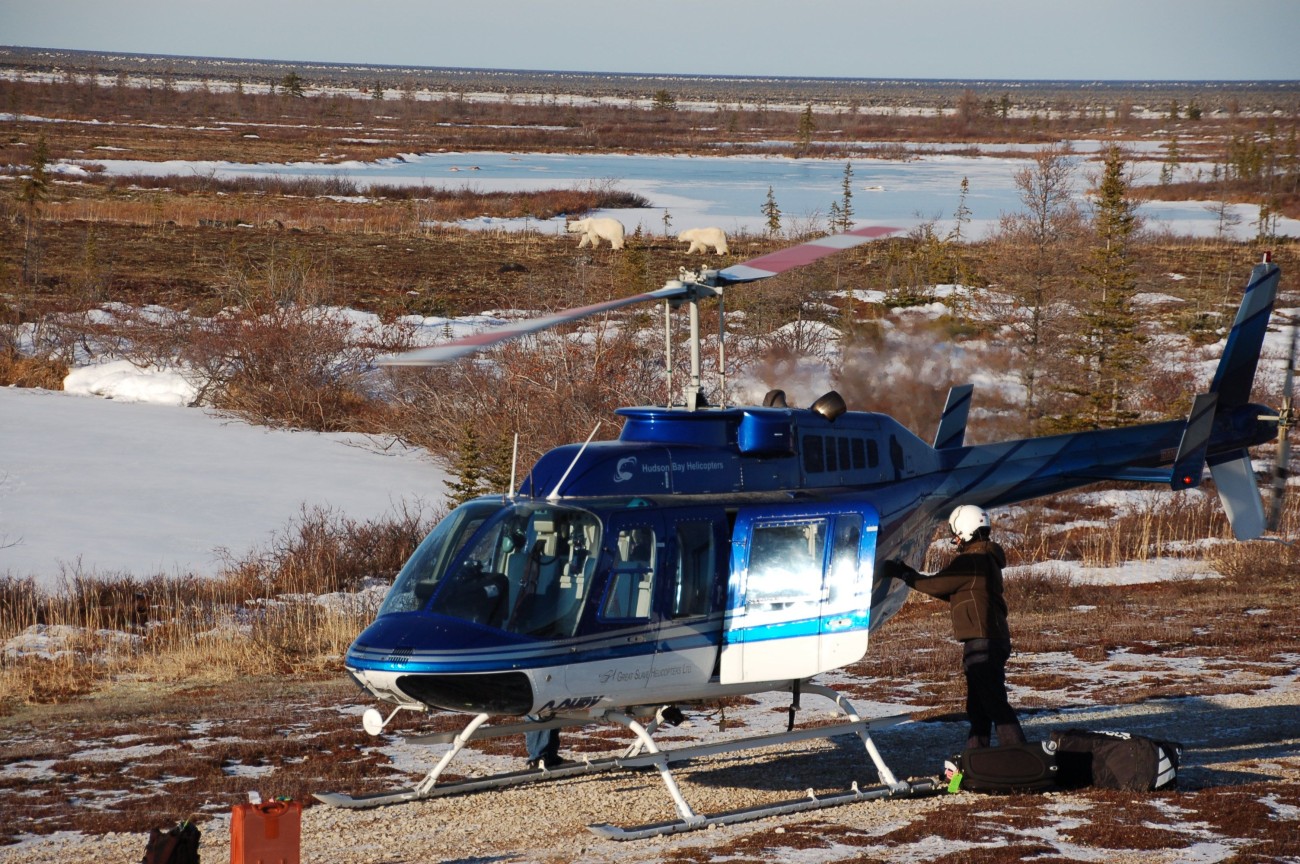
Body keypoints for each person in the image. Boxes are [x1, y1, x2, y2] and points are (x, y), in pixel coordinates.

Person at [883, 504, 1026, 751]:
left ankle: (1018, 755)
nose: (955, 539)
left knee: (992, 703)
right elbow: (955, 592)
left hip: (982, 641)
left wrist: (905, 574)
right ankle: (976, 758)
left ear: (966, 531)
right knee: (979, 706)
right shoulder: (987, 560)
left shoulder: (971, 560)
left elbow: (937, 585)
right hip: (990, 639)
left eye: (956, 533)